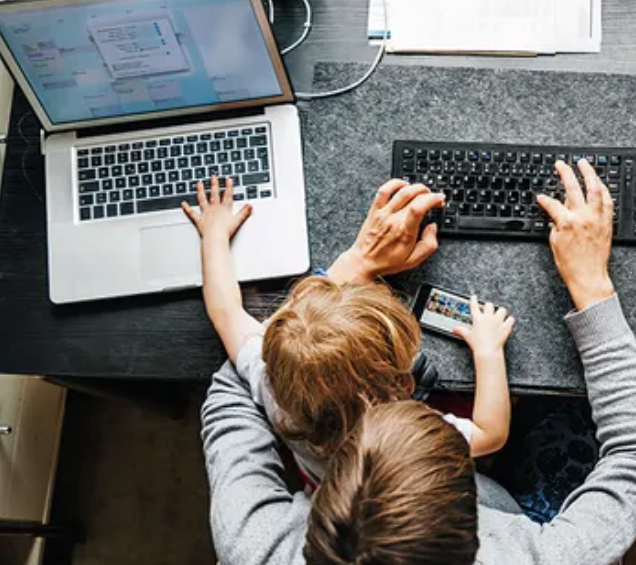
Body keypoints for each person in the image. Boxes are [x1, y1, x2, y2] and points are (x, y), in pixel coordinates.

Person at [198, 161, 636, 565]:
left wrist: (352, 270)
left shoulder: (257, 564)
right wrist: (590, 283)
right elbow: (635, 460)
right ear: (478, 535)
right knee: (566, 426)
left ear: (315, 511)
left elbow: (233, 386)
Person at [182, 176, 516, 484]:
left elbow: (225, 311)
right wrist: (488, 351)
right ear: (398, 379)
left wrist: (213, 236)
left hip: (325, 480)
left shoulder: (270, 379)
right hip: (396, 479)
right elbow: (491, 434)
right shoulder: (404, 435)